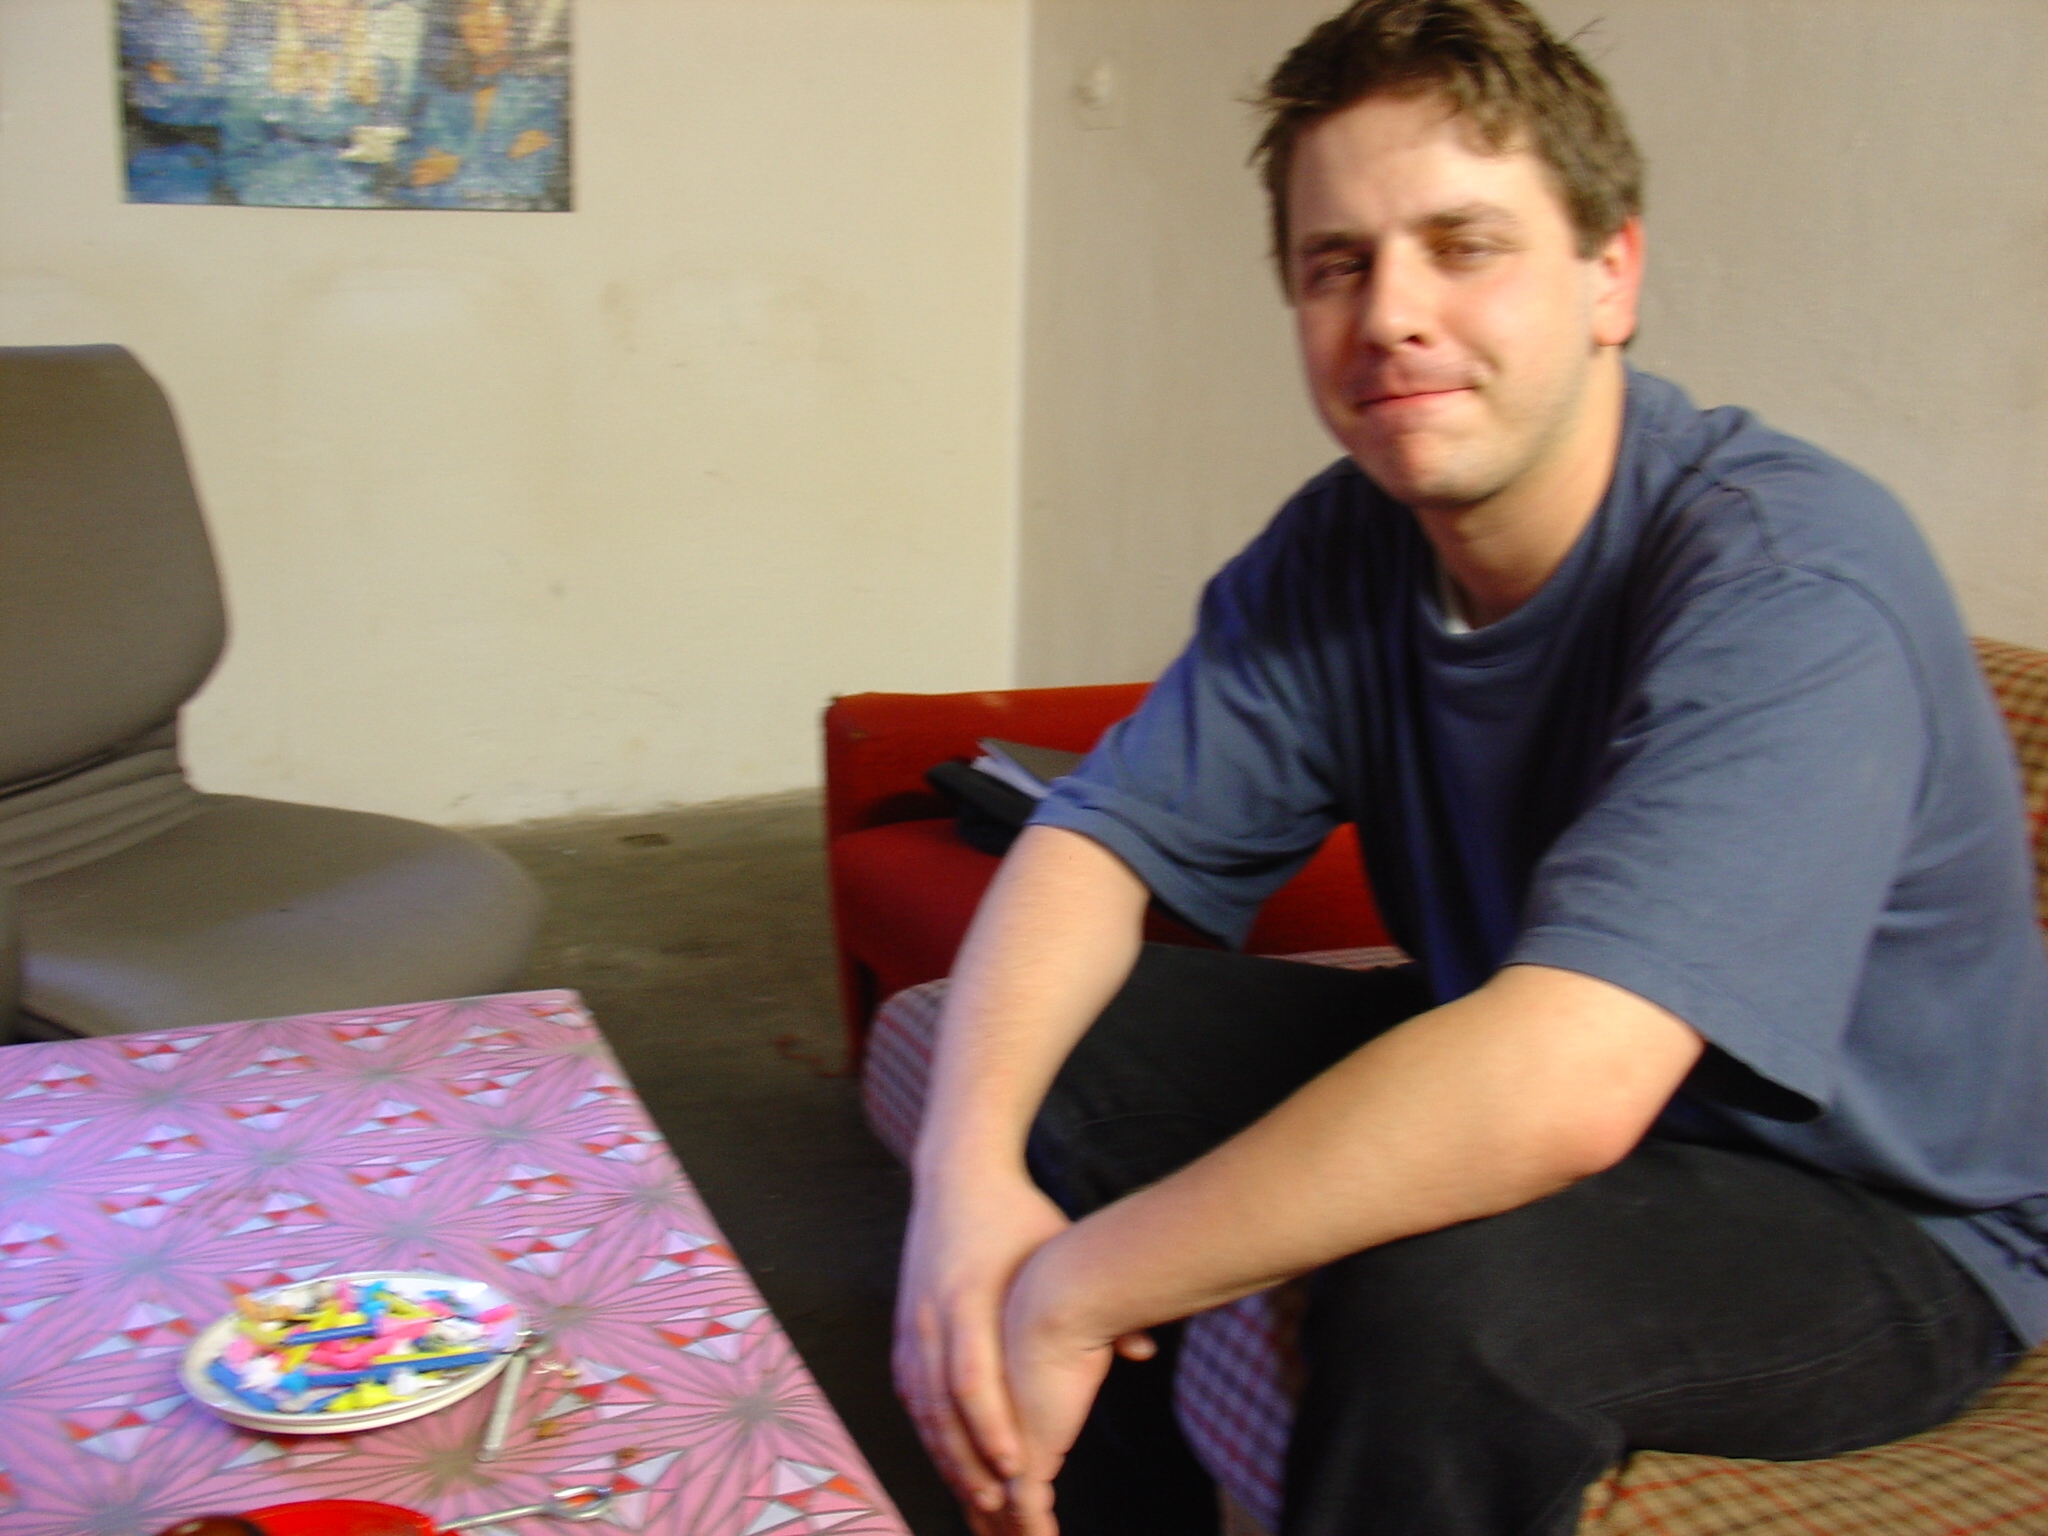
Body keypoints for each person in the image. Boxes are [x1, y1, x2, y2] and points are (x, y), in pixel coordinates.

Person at [892, 3, 2048, 1533]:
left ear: (1610, 273)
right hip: (1533, 1055)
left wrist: (1074, 1286)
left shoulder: (1787, 579)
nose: (1392, 314)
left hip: (1877, 1215)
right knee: (1070, 1052)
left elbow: (1568, 1083)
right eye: (1337, 263)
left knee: (1453, 1304)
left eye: (1464, 245)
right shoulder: (1347, 541)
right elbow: (1093, 844)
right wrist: (964, 1182)